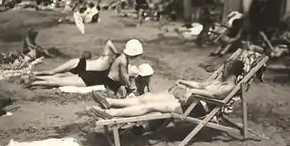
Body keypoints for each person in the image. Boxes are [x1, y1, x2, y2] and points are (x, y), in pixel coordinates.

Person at [88, 59, 244, 119]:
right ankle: (110, 102)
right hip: (189, 101)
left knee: (150, 106)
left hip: (196, 108)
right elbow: (202, 86)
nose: (222, 70)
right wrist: (186, 83)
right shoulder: (220, 80)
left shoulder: (229, 87)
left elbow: (209, 93)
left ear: (231, 71)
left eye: (225, 68)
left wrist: (194, 92)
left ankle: (111, 114)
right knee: (147, 97)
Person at [28, 40, 144, 93]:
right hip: (91, 79)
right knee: (60, 82)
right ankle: (34, 83)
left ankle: (35, 79)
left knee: (60, 79)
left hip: (90, 74)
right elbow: (124, 76)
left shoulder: (120, 58)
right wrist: (130, 86)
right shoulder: (123, 62)